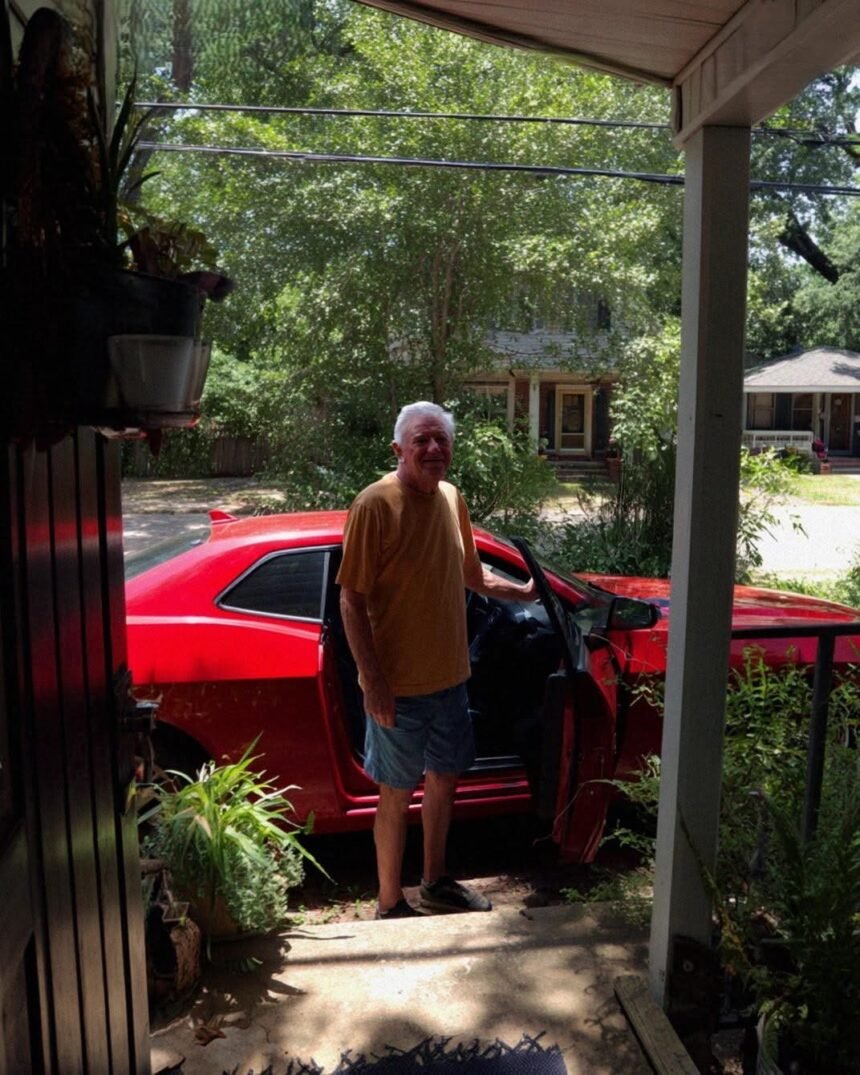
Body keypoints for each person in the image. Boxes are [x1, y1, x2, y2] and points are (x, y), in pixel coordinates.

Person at [337, 401, 537, 919]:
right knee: (396, 793)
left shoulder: (450, 497)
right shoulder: (375, 505)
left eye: (441, 440)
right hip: (397, 688)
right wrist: (372, 682)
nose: (433, 449)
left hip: (451, 679)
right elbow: (351, 600)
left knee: (445, 780)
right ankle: (389, 902)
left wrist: (525, 592)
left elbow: (473, 575)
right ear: (398, 449)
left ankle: (435, 882)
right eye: (421, 440)